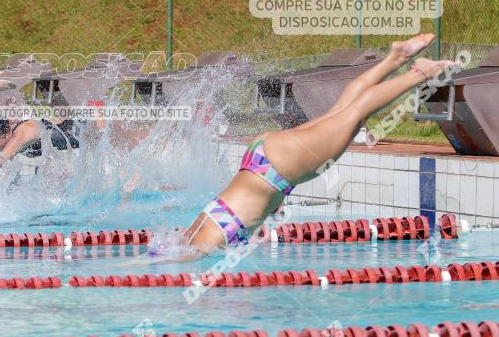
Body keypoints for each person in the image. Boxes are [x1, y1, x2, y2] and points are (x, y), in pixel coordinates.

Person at [182, 34, 456, 255]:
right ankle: (396, 57)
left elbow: (181, 260)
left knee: (354, 114)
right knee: (342, 111)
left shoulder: (200, 246)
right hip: (261, 155)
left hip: (278, 171)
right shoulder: (193, 233)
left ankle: (420, 72)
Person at [0, 118, 81, 166]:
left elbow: (0, 160)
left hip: (82, 130)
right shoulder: (10, 136)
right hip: (79, 140)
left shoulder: (20, 133)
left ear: (3, 135)